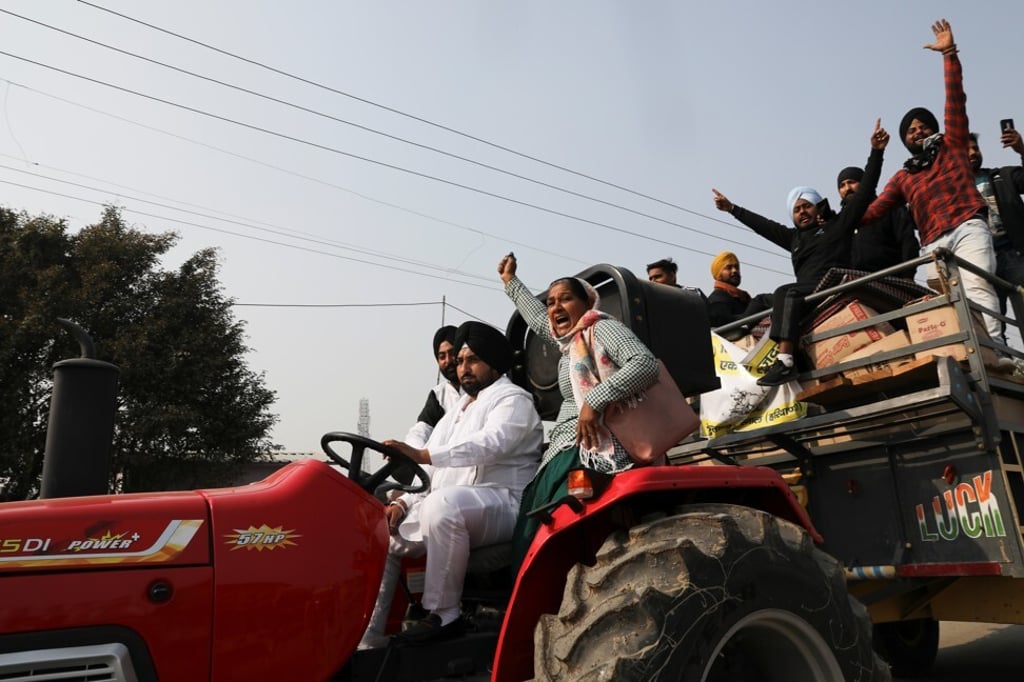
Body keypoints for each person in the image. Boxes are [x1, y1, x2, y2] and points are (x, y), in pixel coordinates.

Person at [358, 321, 542, 648]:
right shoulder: (456, 409)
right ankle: (369, 637)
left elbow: (491, 443)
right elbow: (438, 477)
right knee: (382, 533)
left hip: (506, 504)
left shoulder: (514, 399)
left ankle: (444, 615)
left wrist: (423, 453)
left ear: (494, 362)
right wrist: (404, 503)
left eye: (472, 360)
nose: (463, 368)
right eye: (459, 362)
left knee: (445, 507)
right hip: (459, 504)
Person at [498, 253, 659, 567]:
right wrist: (511, 282)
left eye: (566, 299)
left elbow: (645, 364)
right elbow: (538, 320)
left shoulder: (601, 329)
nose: (556, 307)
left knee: (558, 531)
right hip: (566, 446)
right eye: (551, 302)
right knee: (534, 529)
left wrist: (594, 401)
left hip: (595, 445)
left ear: (588, 303)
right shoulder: (570, 343)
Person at [712, 120, 888, 385]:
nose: (802, 212)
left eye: (807, 206)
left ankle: (785, 361)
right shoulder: (794, 238)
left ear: (818, 208)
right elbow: (764, 226)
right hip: (805, 294)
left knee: (786, 291)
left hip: (829, 285)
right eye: (796, 209)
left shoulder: (837, 226)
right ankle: (737, 333)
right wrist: (732, 209)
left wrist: (876, 152)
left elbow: (863, 194)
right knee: (762, 299)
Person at [860, 19, 1001, 341]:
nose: (918, 131)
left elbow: (956, 99)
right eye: (911, 130)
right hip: (933, 244)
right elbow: (871, 213)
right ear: (905, 141)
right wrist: (835, 218)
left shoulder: (952, 145)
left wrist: (948, 53)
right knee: (947, 305)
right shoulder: (904, 177)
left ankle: (999, 352)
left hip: (967, 227)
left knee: (977, 287)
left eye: (923, 126)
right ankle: (970, 354)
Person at [968, 130, 1024, 316]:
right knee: (990, 321)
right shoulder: (952, 193)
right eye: (965, 150)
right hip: (981, 260)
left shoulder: (1003, 176)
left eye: (975, 148)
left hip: (1014, 256)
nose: (972, 153)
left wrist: (1021, 150)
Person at [835, 166, 920, 275]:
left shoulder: (889, 208)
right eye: (842, 186)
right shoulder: (840, 221)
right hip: (852, 284)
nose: (847, 188)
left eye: (851, 182)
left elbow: (908, 242)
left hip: (889, 278)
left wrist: (908, 275)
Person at [403, 325, 462, 449]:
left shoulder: (480, 389)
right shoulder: (439, 395)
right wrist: (412, 451)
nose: (448, 361)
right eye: (442, 357)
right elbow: (421, 430)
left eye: (452, 353)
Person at [705, 250, 774, 333]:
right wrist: (758, 304)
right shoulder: (717, 300)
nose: (734, 270)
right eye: (728, 268)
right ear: (718, 274)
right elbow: (727, 327)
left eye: (736, 267)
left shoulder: (741, 297)